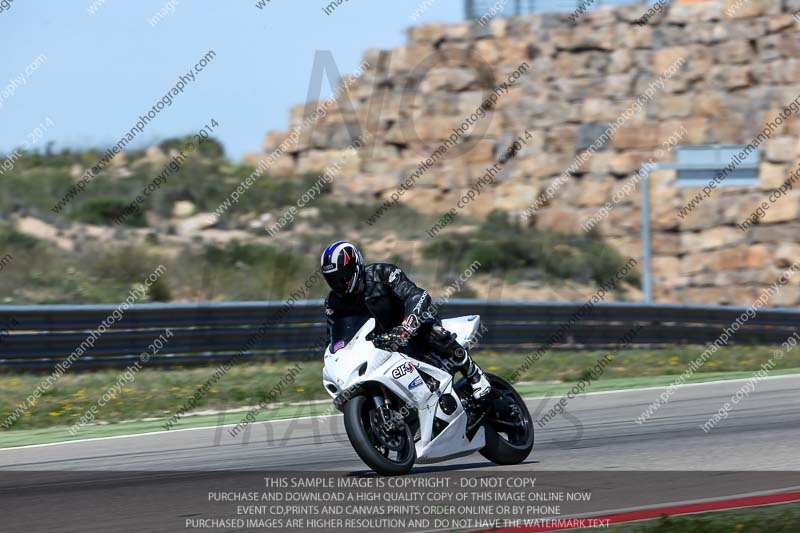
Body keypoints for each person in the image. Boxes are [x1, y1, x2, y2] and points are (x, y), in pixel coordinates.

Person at [320, 240, 491, 399]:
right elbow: (334, 337)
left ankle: (474, 374)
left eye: (342, 276)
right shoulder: (334, 302)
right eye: (332, 279)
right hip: (379, 344)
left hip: (411, 325)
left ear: (354, 267)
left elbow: (418, 296)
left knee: (431, 330)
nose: (338, 283)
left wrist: (407, 325)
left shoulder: (383, 273)